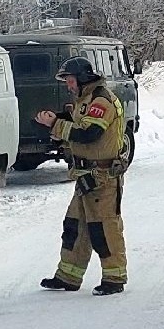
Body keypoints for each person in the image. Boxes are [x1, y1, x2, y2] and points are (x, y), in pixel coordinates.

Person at [34, 56, 129, 296]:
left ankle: (114, 277)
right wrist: (58, 122)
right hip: (86, 175)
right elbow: (77, 123)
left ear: (82, 78)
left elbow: (89, 133)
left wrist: (56, 124)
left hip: (103, 176)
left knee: (104, 227)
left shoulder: (101, 100)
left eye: (70, 80)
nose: (68, 85)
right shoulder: (84, 99)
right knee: (75, 226)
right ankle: (68, 276)